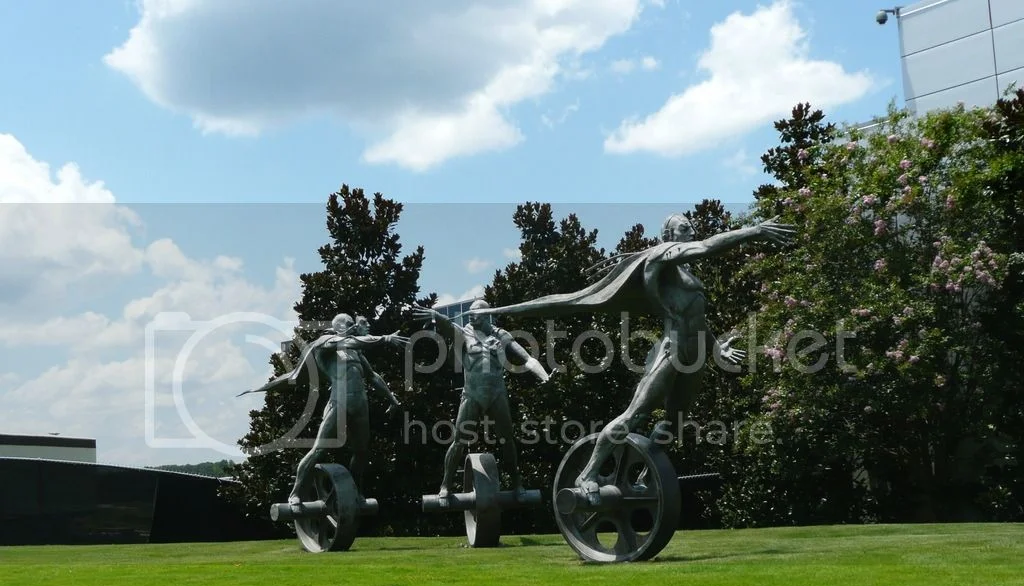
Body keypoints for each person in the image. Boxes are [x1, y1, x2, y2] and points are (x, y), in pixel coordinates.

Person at [468, 214, 795, 502]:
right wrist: (753, 231)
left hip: (695, 354)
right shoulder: (663, 255)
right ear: (668, 234)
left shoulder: (685, 272)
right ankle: (588, 473)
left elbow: (696, 317)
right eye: (684, 227)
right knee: (636, 415)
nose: (692, 230)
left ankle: (643, 475)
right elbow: (707, 247)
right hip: (672, 349)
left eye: (691, 227)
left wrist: (716, 348)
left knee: (675, 423)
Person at [239, 312, 407, 504]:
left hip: (360, 405)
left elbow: (373, 376)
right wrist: (385, 338)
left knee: (361, 453)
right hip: (339, 403)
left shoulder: (356, 352)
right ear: (340, 326)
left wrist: (392, 400)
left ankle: (357, 492)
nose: (353, 326)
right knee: (319, 450)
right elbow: (349, 341)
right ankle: (296, 493)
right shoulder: (325, 343)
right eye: (350, 323)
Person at [411, 299, 551, 502]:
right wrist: (436, 316)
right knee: (459, 441)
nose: (470, 316)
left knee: (507, 440)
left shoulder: (501, 335)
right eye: (469, 313)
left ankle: (516, 482)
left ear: (487, 314)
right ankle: (446, 484)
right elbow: (448, 325)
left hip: (497, 393)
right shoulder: (464, 333)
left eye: (475, 312)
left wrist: (544, 376)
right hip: (472, 394)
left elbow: (527, 359)